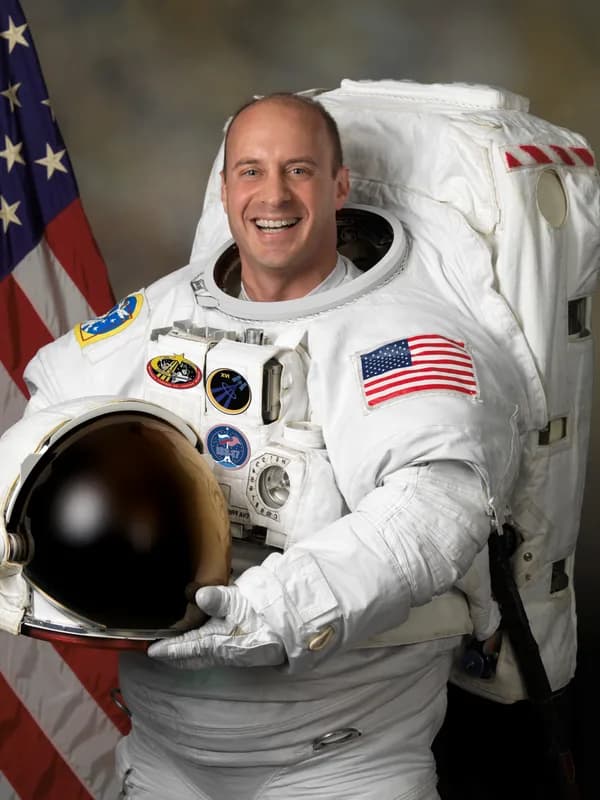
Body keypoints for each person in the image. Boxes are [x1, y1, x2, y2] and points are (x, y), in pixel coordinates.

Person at [0, 93, 529, 800]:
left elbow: (435, 513)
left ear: (339, 186)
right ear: (225, 191)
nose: (272, 194)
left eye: (298, 170)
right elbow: (53, 407)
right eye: (250, 171)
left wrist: (279, 611)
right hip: (166, 759)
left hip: (344, 762)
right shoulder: (166, 311)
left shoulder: (399, 337)